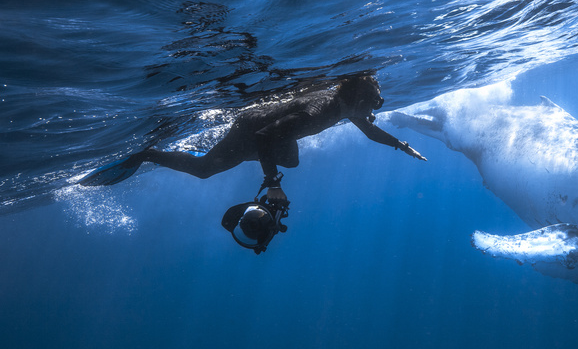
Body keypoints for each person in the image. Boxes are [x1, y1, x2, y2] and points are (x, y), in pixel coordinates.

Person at [79, 74, 425, 251]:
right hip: (252, 129)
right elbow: (265, 137)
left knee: (290, 162)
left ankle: (192, 150)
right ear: (359, 99)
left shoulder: (346, 106)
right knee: (204, 170)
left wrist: (402, 144)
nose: (373, 114)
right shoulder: (323, 109)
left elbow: (369, 132)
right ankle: (147, 154)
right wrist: (271, 183)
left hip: (266, 133)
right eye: (374, 105)